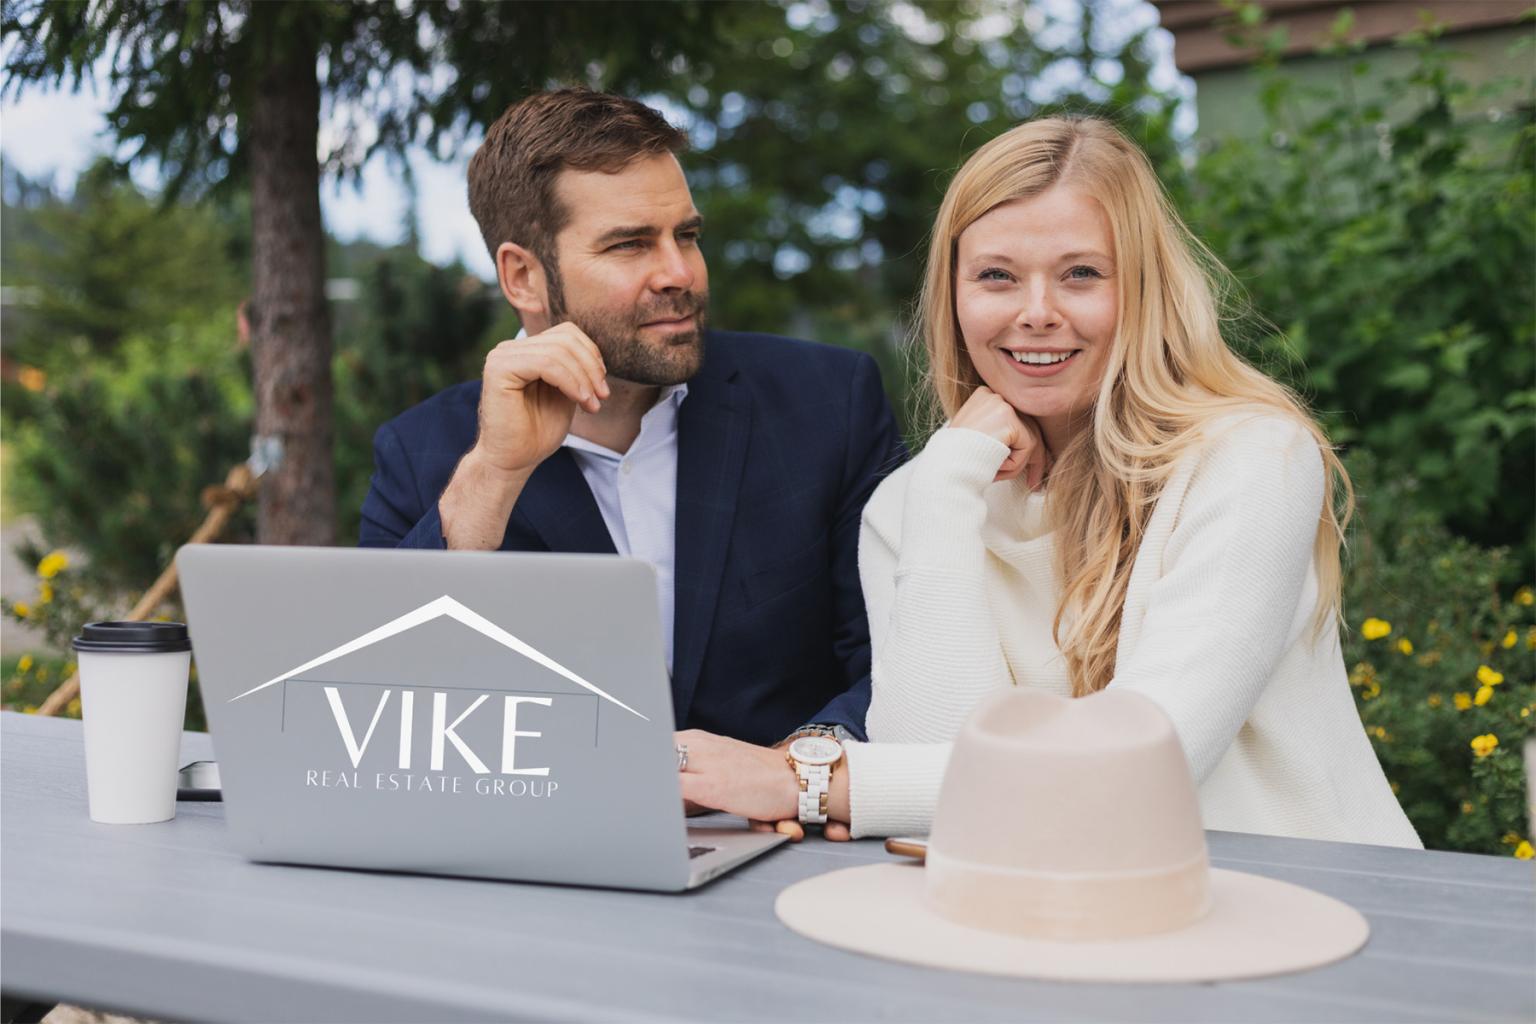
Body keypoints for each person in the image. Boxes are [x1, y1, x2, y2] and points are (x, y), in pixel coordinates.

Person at [677, 115, 1422, 849]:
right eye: (997, 276)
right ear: (954, 297)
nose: (1037, 314)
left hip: (1293, 907)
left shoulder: (1251, 459)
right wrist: (943, 489)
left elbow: (1141, 773)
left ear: (1143, 289)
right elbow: (943, 781)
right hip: (1050, 918)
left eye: (1081, 275)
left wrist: (809, 782)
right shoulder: (920, 500)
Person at [359, 89, 904, 748]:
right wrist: (497, 475)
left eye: (687, 236)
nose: (679, 272)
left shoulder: (829, 402)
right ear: (523, 277)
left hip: (792, 840)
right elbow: (379, 706)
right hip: (548, 838)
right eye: (630, 245)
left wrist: (802, 772)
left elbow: (900, 666)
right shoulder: (425, 455)